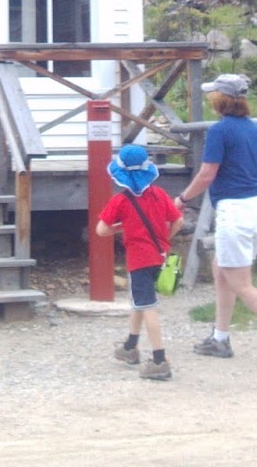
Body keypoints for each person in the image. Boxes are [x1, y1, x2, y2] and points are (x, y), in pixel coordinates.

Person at [174, 72, 257, 366]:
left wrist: (183, 199)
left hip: (236, 211)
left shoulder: (220, 131)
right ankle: (220, 338)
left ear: (220, 99)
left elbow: (207, 174)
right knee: (221, 268)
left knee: (240, 282)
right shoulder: (253, 129)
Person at [96, 144, 184, 381]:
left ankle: (159, 360)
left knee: (148, 307)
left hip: (139, 261)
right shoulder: (159, 194)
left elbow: (101, 230)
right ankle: (130, 347)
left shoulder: (121, 201)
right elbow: (178, 221)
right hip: (160, 256)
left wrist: (121, 227)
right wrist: (165, 240)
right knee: (139, 302)